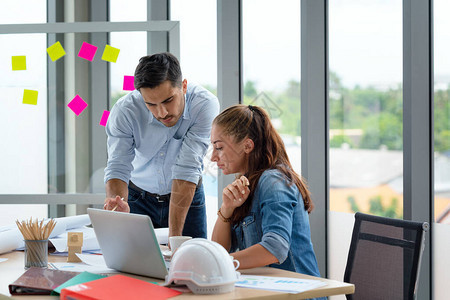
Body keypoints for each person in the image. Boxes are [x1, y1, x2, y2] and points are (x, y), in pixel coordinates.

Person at [103, 52, 219, 239]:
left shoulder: (204, 105)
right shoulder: (124, 111)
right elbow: (118, 166)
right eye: (151, 104)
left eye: (168, 100)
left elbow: (187, 168)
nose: (162, 112)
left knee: (191, 260)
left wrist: (174, 239)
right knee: (134, 265)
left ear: (183, 86)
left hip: (187, 195)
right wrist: (117, 207)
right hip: (137, 197)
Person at [211, 104, 321, 277]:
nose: (213, 157)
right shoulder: (245, 183)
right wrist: (226, 209)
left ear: (247, 146)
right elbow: (220, 249)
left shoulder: (273, 182)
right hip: (265, 289)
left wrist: (217, 264)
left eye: (219, 147)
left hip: (296, 294)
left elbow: (275, 248)